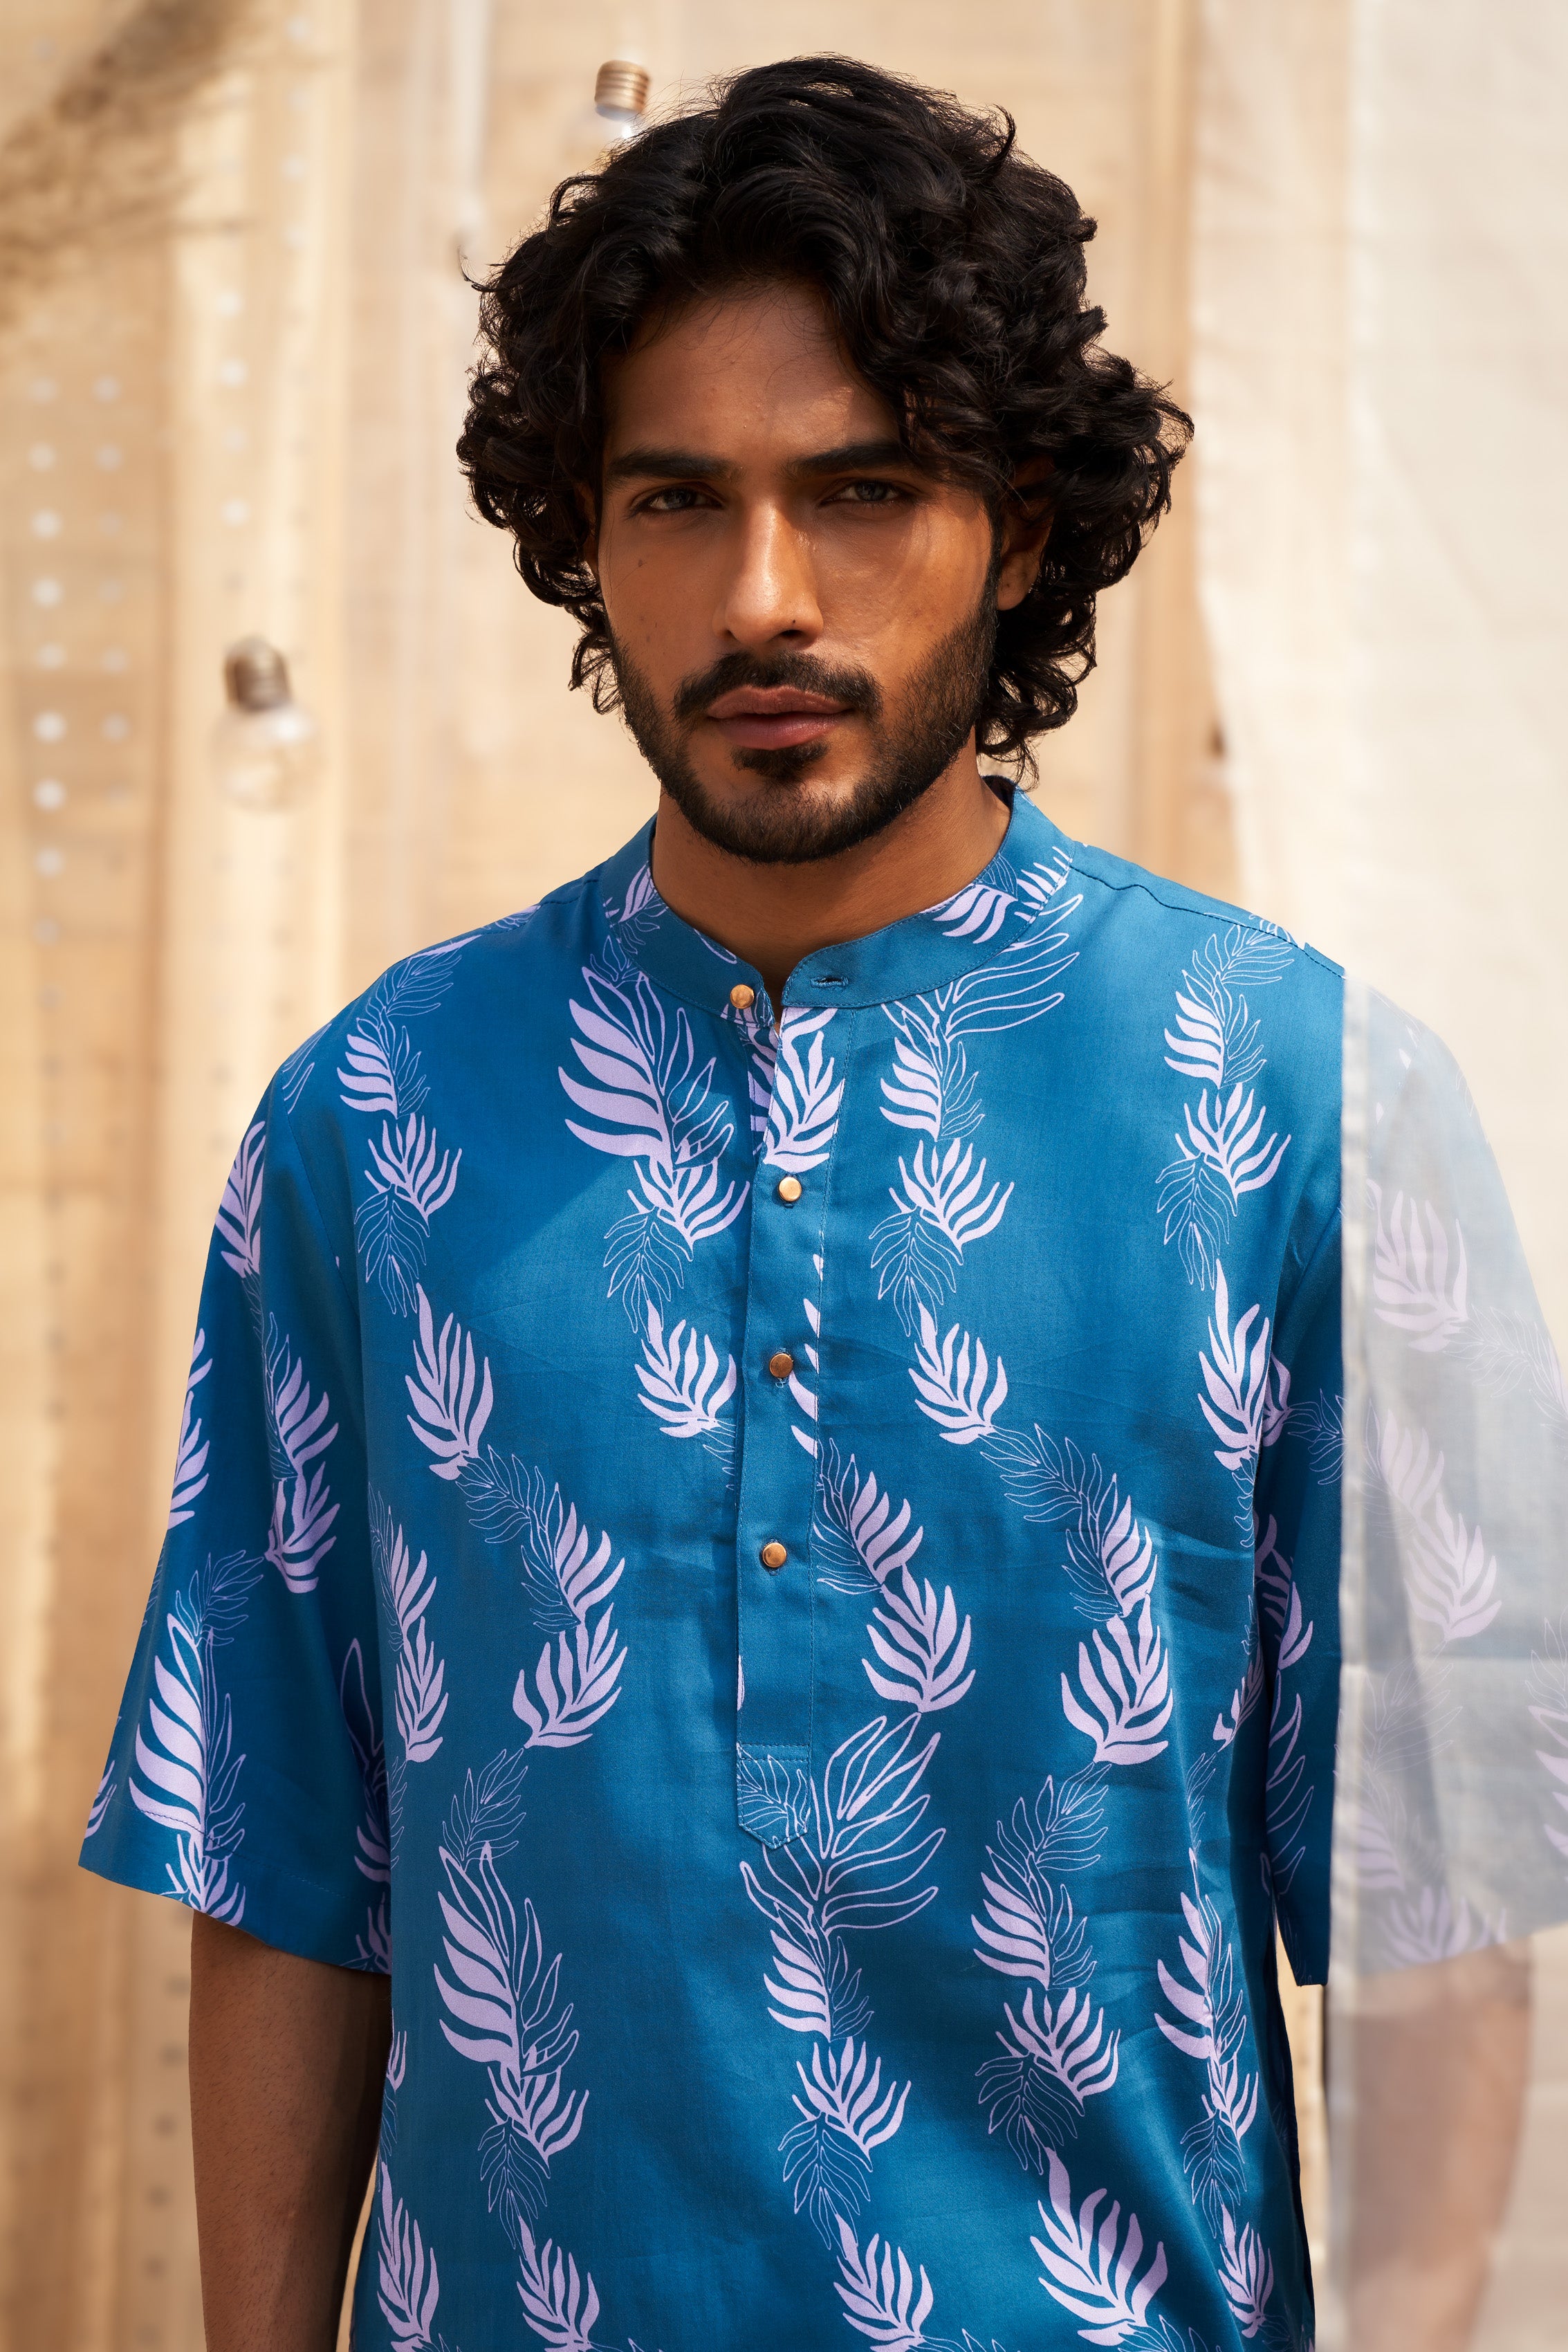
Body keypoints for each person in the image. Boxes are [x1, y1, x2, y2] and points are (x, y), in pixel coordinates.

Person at [81, 53, 1540, 2352]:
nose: (761, 595)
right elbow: (280, 1857)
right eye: (678, 500)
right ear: (585, 538)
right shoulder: (374, 1119)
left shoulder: (1307, 1104)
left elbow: (1425, 1917)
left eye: (859, 490)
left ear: (1020, 525)